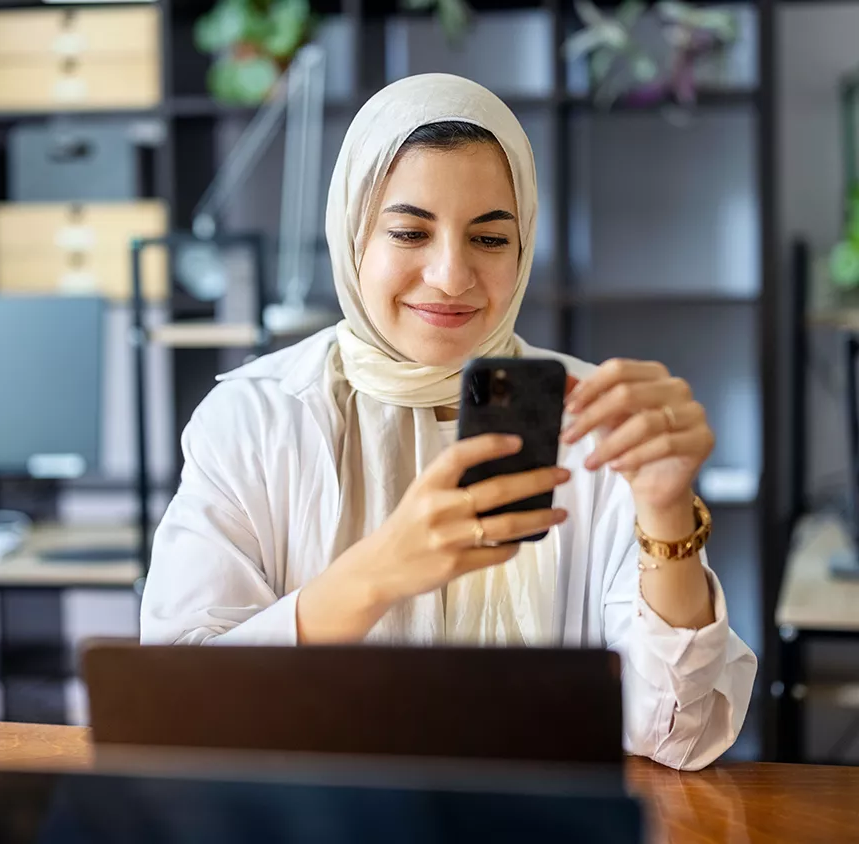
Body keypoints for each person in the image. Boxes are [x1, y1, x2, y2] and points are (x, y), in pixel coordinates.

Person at [141, 73, 757, 770]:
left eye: (490, 239)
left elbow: (674, 734)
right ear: (351, 236)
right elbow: (175, 703)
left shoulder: (597, 414)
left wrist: (668, 510)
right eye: (409, 231)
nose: (451, 276)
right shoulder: (254, 418)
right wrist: (376, 574)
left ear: (523, 249)